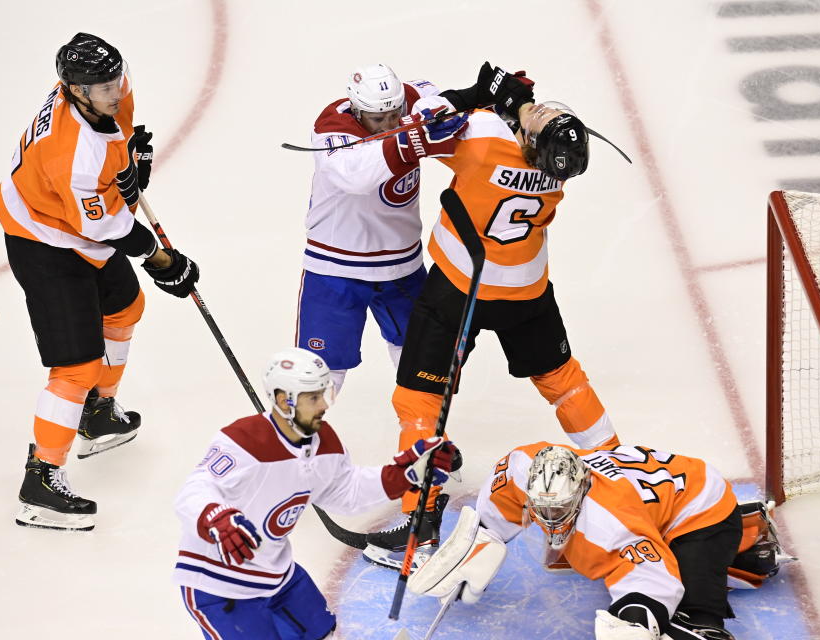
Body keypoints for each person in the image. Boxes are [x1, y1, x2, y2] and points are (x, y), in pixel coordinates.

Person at [363, 71, 623, 566]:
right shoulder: (556, 166)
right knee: (562, 381)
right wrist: (518, 103)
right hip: (526, 289)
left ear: (527, 140)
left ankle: (419, 527)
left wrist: (475, 96)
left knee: (420, 400)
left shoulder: (483, 136)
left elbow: (414, 128)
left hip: (461, 287)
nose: (548, 111)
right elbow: (528, 135)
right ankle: (620, 469)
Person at [0, 33, 200, 531]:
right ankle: (41, 482)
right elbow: (103, 225)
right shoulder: (75, 155)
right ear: (75, 90)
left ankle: (98, 413)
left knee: (126, 309)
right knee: (75, 367)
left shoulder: (102, 96)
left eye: (116, 79)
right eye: (101, 86)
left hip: (77, 227)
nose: (115, 90)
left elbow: (114, 148)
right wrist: (161, 259)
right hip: (45, 242)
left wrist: (131, 163)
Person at [173, 347, 461, 640]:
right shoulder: (245, 440)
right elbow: (196, 488)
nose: (324, 404)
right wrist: (216, 518)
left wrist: (402, 477)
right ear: (285, 400)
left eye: (325, 393)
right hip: (221, 587)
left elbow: (347, 492)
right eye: (314, 397)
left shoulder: (325, 443)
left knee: (324, 633)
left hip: (279, 575)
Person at [297, 63, 521, 394]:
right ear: (357, 110)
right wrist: (411, 139)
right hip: (335, 269)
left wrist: (498, 102)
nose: (388, 123)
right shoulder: (332, 126)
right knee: (318, 379)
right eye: (378, 119)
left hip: (402, 267)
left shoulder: (411, 99)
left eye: (395, 113)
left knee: (424, 365)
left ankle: (423, 440)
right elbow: (355, 175)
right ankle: (292, 443)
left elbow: (445, 109)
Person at [408, 442, 784, 640]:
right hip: (652, 493)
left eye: (561, 510)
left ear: (583, 489)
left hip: (700, 504)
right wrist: (481, 542)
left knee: (692, 619)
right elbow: (496, 509)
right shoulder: (519, 469)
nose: (552, 520)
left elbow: (654, 578)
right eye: (544, 510)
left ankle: (747, 540)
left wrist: (636, 620)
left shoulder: (609, 522)